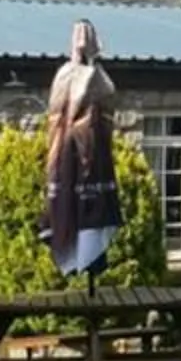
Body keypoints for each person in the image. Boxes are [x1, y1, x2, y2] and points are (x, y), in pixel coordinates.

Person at [43, 19, 123, 276]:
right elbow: (58, 110)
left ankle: (91, 258)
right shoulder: (64, 75)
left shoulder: (101, 80)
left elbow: (107, 100)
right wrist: (77, 68)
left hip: (95, 164)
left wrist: (91, 67)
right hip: (68, 163)